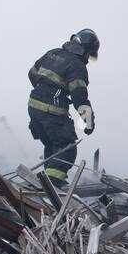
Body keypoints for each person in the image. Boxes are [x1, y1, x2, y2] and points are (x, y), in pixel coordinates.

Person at [27, 29, 98, 186]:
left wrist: (44, 89)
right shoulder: (77, 66)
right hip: (51, 111)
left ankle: (46, 181)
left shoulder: (52, 53)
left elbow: (32, 74)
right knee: (67, 148)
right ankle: (52, 186)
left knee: (53, 146)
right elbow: (79, 97)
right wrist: (88, 120)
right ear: (85, 50)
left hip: (33, 107)